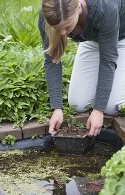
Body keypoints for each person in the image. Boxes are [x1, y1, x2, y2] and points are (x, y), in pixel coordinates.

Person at [38, 0, 125, 136]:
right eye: (57, 28)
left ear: (78, 7)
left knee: (111, 107)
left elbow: (107, 61)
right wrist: (57, 108)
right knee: (77, 103)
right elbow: (51, 60)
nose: (62, 33)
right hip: (91, 41)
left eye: (67, 27)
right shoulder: (50, 13)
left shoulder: (105, 7)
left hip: (121, 38)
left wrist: (99, 109)